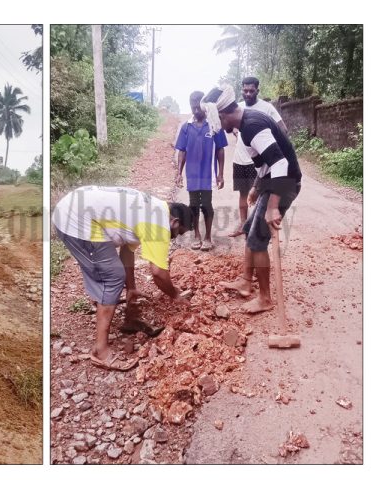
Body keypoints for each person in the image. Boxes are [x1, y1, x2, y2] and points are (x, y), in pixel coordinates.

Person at [52, 186, 192, 371]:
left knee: (112, 271)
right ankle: (100, 351)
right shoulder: (159, 224)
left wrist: (131, 287)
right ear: (175, 222)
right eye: (178, 233)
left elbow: (127, 251)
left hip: (74, 208)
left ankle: (113, 309)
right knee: (112, 276)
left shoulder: (155, 208)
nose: (174, 238)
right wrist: (175, 295)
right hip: (74, 219)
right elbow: (158, 273)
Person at [201, 85, 302, 314]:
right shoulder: (246, 125)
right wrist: (256, 187)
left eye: (218, 120)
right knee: (249, 229)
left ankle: (265, 298)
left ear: (224, 114)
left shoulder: (252, 126)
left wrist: (273, 206)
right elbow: (267, 162)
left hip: (285, 183)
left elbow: (280, 164)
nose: (220, 127)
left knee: (257, 240)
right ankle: (246, 282)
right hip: (271, 181)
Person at [228, 76, 289, 237]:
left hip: (261, 163)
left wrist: (272, 148)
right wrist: (236, 131)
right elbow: (232, 126)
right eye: (245, 90)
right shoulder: (238, 108)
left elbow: (283, 129)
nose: (247, 94)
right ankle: (243, 225)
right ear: (241, 90)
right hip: (240, 158)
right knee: (243, 194)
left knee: (261, 195)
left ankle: (258, 228)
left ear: (257, 90)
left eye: (251, 91)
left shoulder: (267, 107)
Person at [175, 91, 228, 251]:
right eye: (193, 108)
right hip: (192, 173)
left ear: (204, 106)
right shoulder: (186, 126)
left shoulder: (213, 125)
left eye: (198, 108)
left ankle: (208, 237)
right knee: (193, 205)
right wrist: (178, 172)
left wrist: (220, 174)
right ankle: (197, 235)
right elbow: (182, 151)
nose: (196, 111)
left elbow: (220, 150)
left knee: (206, 204)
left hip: (208, 173)